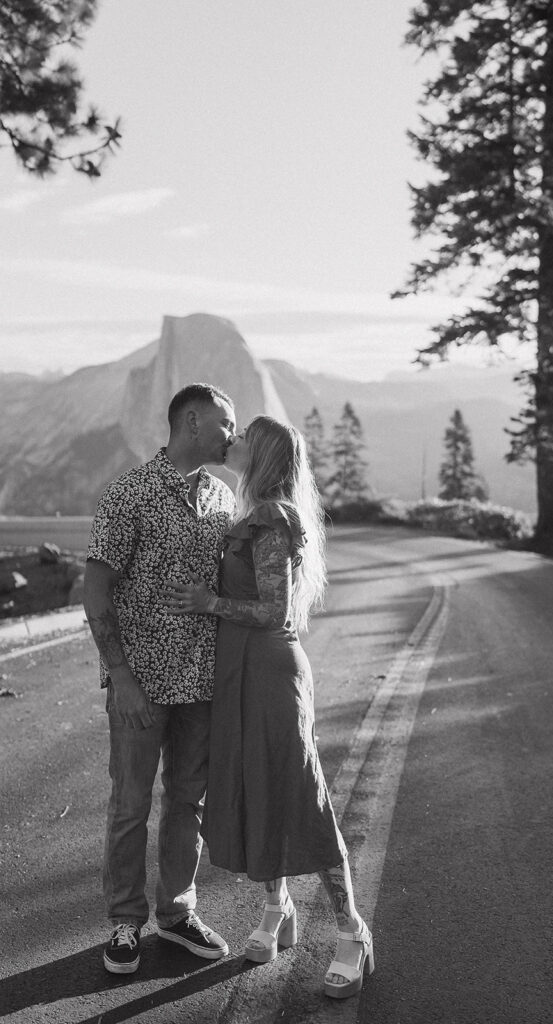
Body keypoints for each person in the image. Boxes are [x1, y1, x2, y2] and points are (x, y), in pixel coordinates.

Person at [160, 415, 375, 1000]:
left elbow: (276, 613)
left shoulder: (275, 519)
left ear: (262, 458)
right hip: (241, 673)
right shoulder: (252, 512)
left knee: (300, 795)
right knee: (256, 789)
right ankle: (277, 910)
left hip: (270, 672)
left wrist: (210, 601)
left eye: (244, 440)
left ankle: (352, 932)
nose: (232, 443)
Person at [83, 382, 237, 975]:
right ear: (192, 422)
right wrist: (120, 677)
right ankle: (125, 922)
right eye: (226, 424)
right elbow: (95, 595)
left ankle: (177, 912)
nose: (233, 435)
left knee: (187, 802)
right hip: (140, 686)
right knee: (130, 804)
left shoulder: (223, 499)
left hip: (201, 682)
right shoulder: (131, 495)